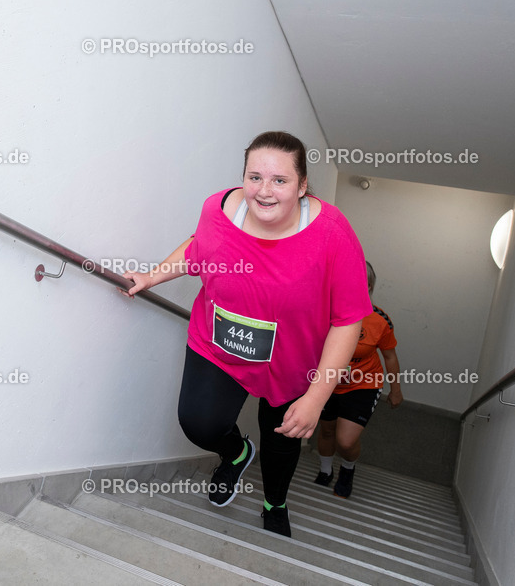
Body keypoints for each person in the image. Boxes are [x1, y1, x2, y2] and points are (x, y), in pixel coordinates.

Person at [123, 131, 371, 537]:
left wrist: (316, 398)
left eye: (280, 180)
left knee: (282, 442)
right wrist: (150, 277)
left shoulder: (332, 233)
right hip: (219, 344)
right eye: (254, 177)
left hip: (292, 363)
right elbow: (197, 248)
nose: (264, 191)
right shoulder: (219, 209)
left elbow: (348, 321)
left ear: (303, 185)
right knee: (198, 423)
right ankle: (236, 453)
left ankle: (275, 502)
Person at [314, 262, 403, 498]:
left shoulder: (380, 320)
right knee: (326, 431)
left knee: (345, 441)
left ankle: (347, 469)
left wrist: (396, 390)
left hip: (364, 383)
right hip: (328, 381)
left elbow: (390, 356)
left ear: (369, 286)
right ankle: (325, 470)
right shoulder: (324, 312)